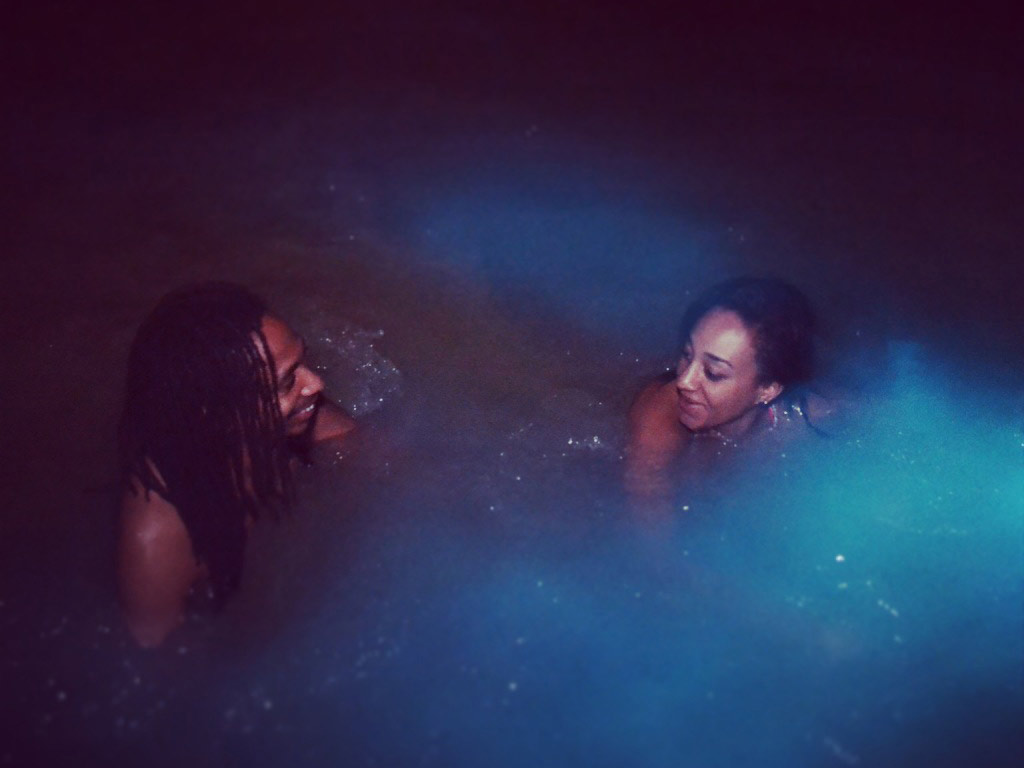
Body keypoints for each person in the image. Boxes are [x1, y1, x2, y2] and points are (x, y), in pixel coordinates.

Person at [117, 282, 355, 647]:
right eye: (286, 382)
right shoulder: (158, 541)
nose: (315, 383)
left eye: (301, 362)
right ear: (217, 415)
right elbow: (159, 663)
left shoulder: (300, 413)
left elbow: (388, 463)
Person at [625, 277, 832, 507]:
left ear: (767, 389)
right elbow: (648, 513)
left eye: (713, 373)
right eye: (687, 354)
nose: (684, 381)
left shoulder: (805, 417)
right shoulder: (660, 415)